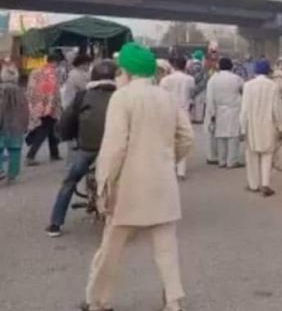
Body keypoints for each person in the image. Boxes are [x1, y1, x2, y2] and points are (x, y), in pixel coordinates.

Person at [82, 43, 192, 311]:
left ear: (128, 71)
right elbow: (186, 137)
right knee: (166, 249)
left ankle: (99, 302)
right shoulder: (166, 96)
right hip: (163, 185)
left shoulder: (122, 98)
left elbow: (114, 148)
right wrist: (168, 160)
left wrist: (104, 185)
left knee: (111, 249)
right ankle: (174, 302)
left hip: (128, 188)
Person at [46, 60, 117, 237]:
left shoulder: (83, 96)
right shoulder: (122, 95)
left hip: (87, 148)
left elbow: (68, 120)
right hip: (115, 149)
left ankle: (55, 224)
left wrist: (65, 136)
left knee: (69, 182)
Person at [239, 59, 282, 197]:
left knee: (251, 155)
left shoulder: (247, 86)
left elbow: (244, 110)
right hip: (267, 124)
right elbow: (277, 109)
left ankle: (253, 185)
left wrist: (242, 129)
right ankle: (265, 184)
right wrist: (281, 127)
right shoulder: (273, 86)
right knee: (267, 155)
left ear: (255, 71)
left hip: (251, 125)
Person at [25, 50, 64, 166]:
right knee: (44, 130)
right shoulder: (52, 74)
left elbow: (30, 89)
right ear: (56, 62)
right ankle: (30, 156)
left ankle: (54, 153)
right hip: (49, 107)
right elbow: (54, 93)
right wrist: (55, 107)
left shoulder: (35, 72)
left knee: (51, 129)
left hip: (37, 106)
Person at [160, 57, 195, 179]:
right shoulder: (190, 79)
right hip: (184, 111)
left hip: (168, 110)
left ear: (173, 65)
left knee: (169, 140)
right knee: (183, 139)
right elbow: (191, 94)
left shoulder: (165, 80)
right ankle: (181, 172)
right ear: (185, 66)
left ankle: (170, 167)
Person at [206, 57, 244, 168]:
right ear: (231, 66)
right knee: (233, 136)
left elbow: (209, 97)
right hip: (234, 109)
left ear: (219, 66)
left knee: (220, 136)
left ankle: (221, 161)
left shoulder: (213, 79)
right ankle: (232, 161)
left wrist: (212, 113)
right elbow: (243, 90)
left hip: (219, 110)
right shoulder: (236, 78)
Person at [0, 61, 28, 183]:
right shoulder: (21, 92)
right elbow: (25, 109)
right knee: (15, 150)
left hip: (2, 124)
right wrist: (25, 124)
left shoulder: (1, 90)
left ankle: (0, 171)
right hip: (17, 125)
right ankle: (12, 174)